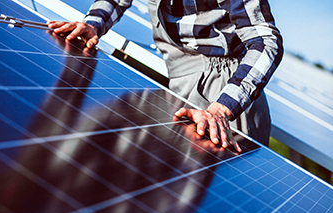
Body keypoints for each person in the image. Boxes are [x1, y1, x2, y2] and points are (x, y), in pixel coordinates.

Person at [47, 0, 283, 151]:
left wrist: (222, 108)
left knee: (227, 200)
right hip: (179, 85)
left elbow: (266, 42)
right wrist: (94, 24)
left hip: (225, 94)